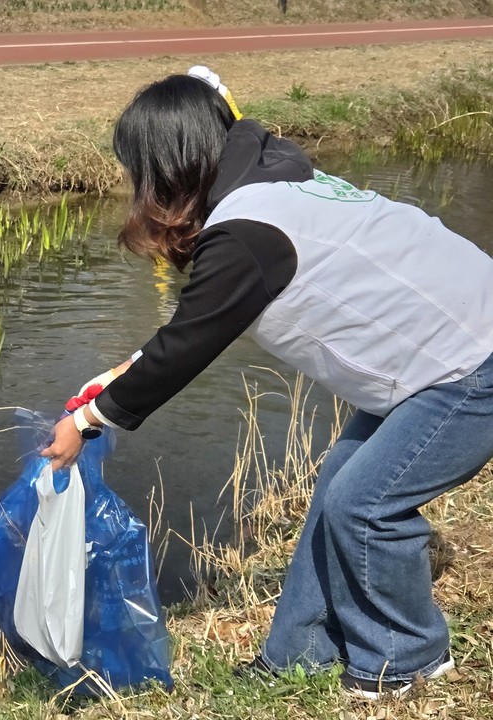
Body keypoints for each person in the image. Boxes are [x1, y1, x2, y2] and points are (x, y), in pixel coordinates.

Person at [41, 70, 493, 700]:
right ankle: (299, 653)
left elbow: (186, 346)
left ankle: (409, 657)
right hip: (438, 355)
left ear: (167, 165)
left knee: (364, 505)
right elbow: (198, 322)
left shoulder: (246, 231)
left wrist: (87, 422)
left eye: (139, 172)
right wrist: (113, 378)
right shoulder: (271, 179)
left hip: (471, 364)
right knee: (340, 489)